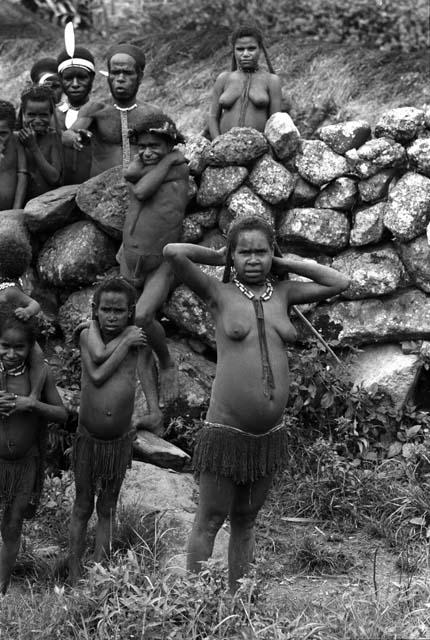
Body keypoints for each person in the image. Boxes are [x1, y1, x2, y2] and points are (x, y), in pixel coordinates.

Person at [163, 215, 349, 592]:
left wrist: (283, 264)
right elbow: (173, 252)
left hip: (267, 435)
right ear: (233, 256)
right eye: (244, 252)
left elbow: (339, 281)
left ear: (271, 254)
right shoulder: (219, 293)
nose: (252, 259)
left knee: (246, 520)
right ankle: (195, 602)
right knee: (211, 518)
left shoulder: (283, 294)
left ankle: (239, 602)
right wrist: (221, 255)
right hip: (226, 430)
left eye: (260, 252)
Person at [68, 276, 147, 584]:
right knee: (83, 502)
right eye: (106, 310)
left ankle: (99, 573)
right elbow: (99, 372)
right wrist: (127, 338)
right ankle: (74, 571)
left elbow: (152, 352)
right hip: (89, 437)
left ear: (130, 311)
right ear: (94, 310)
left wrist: (153, 408)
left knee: (108, 506)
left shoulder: (136, 337)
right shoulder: (89, 333)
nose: (111, 316)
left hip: (118, 440)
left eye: (119, 311)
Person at [0, 307, 67, 594]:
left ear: (30, 349)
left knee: (13, 522)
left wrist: (32, 404)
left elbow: (62, 414)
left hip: (25, 464)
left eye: (19, 347)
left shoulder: (36, 378)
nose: (11, 353)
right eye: (5, 346)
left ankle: (2, 582)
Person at [62, 43, 161, 177]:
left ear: (140, 77)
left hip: (141, 186)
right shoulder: (94, 109)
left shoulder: (152, 113)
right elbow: (67, 135)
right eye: (115, 73)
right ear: (108, 76)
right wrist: (75, 138)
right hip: (100, 189)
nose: (120, 79)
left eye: (127, 73)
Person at [208, 25, 282, 140]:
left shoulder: (271, 80)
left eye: (251, 48)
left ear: (260, 49)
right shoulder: (223, 79)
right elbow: (213, 117)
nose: (246, 54)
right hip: (224, 148)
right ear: (234, 51)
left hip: (259, 148)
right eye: (240, 49)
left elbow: (276, 122)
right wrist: (217, 142)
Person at [0, 231, 48, 399]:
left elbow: (36, 304)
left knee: (38, 356)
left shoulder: (10, 290)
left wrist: (27, 312)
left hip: (19, 334)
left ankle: (34, 394)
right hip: (4, 333)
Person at [56, 46, 95, 185]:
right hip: (57, 191)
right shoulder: (53, 114)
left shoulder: (101, 112)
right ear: (60, 79)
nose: (75, 84)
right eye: (68, 78)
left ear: (92, 78)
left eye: (82, 77)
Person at [17, 86, 62, 203]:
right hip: (20, 206)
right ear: (23, 113)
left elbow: (54, 178)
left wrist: (33, 147)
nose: (37, 120)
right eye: (31, 115)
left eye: (43, 115)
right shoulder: (16, 138)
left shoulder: (53, 138)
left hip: (48, 205)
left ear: (51, 114)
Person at [0, 100, 26, 210]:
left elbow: (22, 176)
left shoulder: (16, 141)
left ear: (12, 130)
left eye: (3, 134)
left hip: (10, 212)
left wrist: (16, 210)